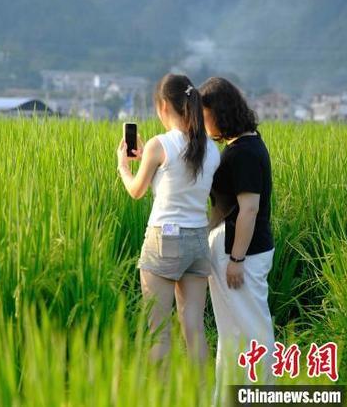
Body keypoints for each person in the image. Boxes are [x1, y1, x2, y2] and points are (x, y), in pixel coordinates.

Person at [117, 74, 220, 366]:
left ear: (163, 106)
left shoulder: (159, 145)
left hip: (165, 237)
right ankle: (202, 394)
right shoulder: (211, 148)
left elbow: (136, 191)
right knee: (195, 329)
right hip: (199, 240)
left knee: (158, 330)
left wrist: (123, 166)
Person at [199, 77, 276, 399]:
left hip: (242, 251)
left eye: (204, 116)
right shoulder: (243, 145)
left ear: (220, 112)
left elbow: (249, 209)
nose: (203, 124)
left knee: (251, 329)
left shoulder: (243, 152)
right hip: (237, 247)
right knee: (232, 332)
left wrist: (236, 259)